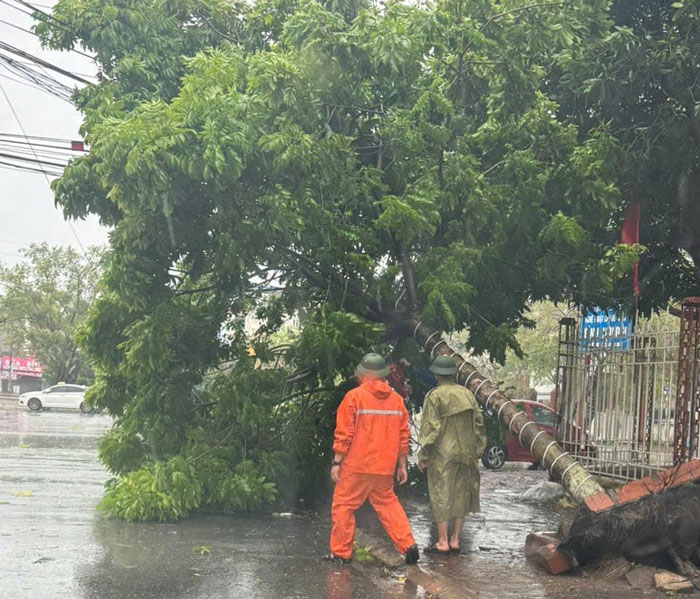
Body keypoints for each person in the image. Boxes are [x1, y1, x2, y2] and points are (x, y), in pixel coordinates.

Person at [328, 352, 419, 565]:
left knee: (343, 506)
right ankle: (408, 545)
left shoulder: (353, 397)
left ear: (364, 375)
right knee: (388, 505)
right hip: (384, 468)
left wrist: (337, 462)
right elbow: (403, 435)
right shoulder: (396, 401)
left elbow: (344, 433)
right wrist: (402, 464)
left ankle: (341, 553)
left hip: (356, 467)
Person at [417, 355, 486, 554]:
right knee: (461, 494)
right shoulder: (467, 394)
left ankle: (442, 541)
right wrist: (478, 450)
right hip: (467, 452)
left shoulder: (434, 396)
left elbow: (432, 429)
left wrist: (423, 456)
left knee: (441, 494)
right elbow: (479, 425)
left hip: (442, 454)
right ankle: (455, 539)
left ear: (437, 374)